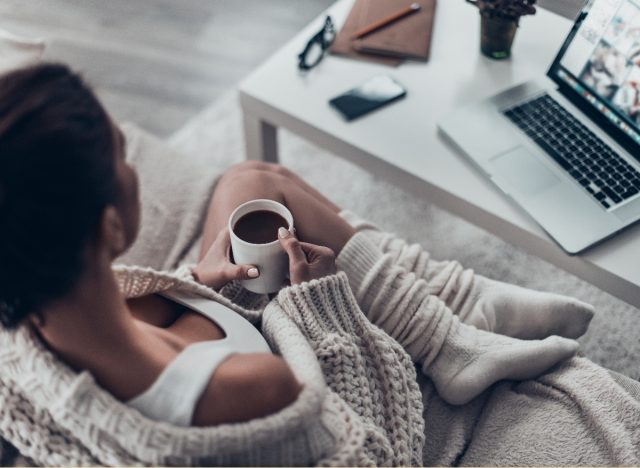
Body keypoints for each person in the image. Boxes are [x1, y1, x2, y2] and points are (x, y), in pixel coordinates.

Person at [0, 63, 637, 466]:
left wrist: (196, 287)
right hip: (298, 364)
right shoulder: (252, 394)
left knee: (250, 178)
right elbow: (370, 450)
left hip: (223, 328)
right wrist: (320, 305)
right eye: (123, 159)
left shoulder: (30, 317)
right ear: (109, 226)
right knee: (275, 208)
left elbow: (143, 339)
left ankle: (455, 317)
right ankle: (447, 331)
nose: (135, 170)